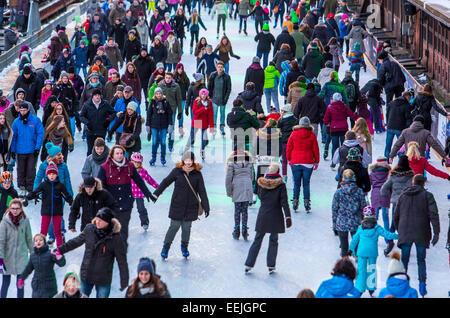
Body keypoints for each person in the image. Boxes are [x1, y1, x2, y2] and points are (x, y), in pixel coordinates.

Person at [55, 208, 129, 298]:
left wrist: (124, 281)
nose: (97, 222)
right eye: (97, 219)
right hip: (86, 275)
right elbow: (76, 241)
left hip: (103, 278)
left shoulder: (115, 238)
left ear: (107, 222)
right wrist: (60, 250)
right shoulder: (90, 229)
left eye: (100, 220)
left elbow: (122, 261)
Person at [154, 151, 210, 259]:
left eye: (190, 160)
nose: (188, 162)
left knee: (186, 228)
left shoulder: (197, 174)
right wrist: (156, 194)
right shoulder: (177, 171)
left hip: (191, 206)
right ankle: (166, 247)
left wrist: (206, 206)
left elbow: (202, 191)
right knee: (174, 227)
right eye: (186, 160)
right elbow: (166, 182)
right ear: (183, 160)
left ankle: (184, 247)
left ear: (193, 161)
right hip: (177, 205)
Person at [97, 145, 156, 246]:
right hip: (111, 203)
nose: (119, 155)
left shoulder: (129, 166)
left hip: (126, 202)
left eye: (121, 153)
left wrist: (148, 194)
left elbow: (139, 181)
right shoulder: (105, 167)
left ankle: (120, 248)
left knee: (123, 227)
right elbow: (100, 185)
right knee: (112, 225)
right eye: (117, 153)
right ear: (112, 155)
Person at [394, 174, 440, 297]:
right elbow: (434, 215)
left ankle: (402, 284)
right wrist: (436, 232)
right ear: (423, 184)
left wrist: (399, 230)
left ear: (413, 183)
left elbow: (396, 214)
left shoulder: (403, 195)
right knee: (421, 260)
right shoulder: (427, 196)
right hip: (421, 231)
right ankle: (422, 284)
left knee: (404, 259)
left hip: (405, 230)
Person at [244, 164, 291, 274]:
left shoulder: (261, 184)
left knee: (258, 239)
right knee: (273, 240)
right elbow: (284, 203)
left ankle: (248, 264)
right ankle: (271, 265)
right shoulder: (281, 185)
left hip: (263, 214)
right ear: (278, 171)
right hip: (276, 215)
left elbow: (259, 196)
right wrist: (288, 216)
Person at [349, 206, 398, 296]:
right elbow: (387, 234)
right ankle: (371, 289)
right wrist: (398, 236)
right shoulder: (377, 227)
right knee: (371, 269)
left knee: (361, 270)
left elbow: (354, 239)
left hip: (362, 252)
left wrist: (351, 249)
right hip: (372, 252)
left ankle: (359, 289)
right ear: (374, 215)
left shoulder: (361, 227)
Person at [26, 162, 73, 248]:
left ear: (56, 175)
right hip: (46, 211)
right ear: (47, 175)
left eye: (53, 174)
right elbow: (35, 192)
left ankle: (60, 249)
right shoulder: (44, 185)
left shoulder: (60, 185)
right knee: (43, 231)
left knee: (57, 231)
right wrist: (28, 197)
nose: (51, 176)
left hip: (57, 211)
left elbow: (67, 195)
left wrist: (71, 202)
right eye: (50, 174)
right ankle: (40, 248)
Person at [380, 155, 415, 256]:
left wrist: (384, 196)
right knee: (405, 224)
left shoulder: (393, 176)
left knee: (393, 224)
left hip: (396, 203)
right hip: (407, 203)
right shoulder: (410, 175)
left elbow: (384, 188)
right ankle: (405, 245)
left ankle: (390, 242)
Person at [0, 199, 33, 298]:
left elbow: (29, 238)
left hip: (21, 258)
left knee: (20, 285)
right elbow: (1, 241)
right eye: (13, 208)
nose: (15, 211)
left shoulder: (25, 221)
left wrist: (34, 254)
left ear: (21, 209)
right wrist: (1, 258)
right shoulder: (4, 222)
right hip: (7, 258)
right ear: (10, 209)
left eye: (17, 208)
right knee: (5, 283)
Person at [10, 102, 45, 195]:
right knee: (20, 169)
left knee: (30, 169)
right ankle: (21, 186)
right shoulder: (16, 122)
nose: (22, 112)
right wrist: (12, 150)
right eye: (21, 110)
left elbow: (40, 134)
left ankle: (30, 187)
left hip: (32, 150)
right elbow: (13, 137)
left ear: (28, 109)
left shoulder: (36, 120)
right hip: (20, 150)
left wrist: (37, 148)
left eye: (24, 110)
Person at [286, 116, 319, 212]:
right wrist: (316, 161)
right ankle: (306, 202)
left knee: (296, 184)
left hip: (295, 161)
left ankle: (295, 201)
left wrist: (289, 159)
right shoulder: (312, 135)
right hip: (308, 162)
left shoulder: (293, 134)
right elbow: (315, 149)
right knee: (306, 183)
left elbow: (289, 148)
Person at [19, 234, 66, 298]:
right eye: (36, 240)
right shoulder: (33, 256)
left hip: (49, 286)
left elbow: (62, 264)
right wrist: (22, 278)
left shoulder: (50, 254)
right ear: (34, 243)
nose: (38, 242)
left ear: (44, 242)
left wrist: (60, 257)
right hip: (37, 286)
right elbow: (28, 269)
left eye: (40, 240)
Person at [332, 168, 367, 257]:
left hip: (341, 223)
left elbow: (334, 209)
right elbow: (364, 207)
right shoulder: (359, 192)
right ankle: (358, 266)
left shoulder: (338, 192)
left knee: (344, 248)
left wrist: (335, 225)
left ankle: (345, 265)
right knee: (356, 246)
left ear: (343, 178)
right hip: (356, 222)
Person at [225, 150, 254, 240]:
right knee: (245, 210)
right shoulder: (249, 163)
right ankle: (245, 228)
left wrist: (229, 192)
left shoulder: (231, 164)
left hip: (237, 187)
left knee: (237, 210)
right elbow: (252, 177)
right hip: (247, 187)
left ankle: (237, 230)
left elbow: (228, 179)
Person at [323, 93, 358, 163]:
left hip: (334, 129)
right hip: (344, 129)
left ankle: (334, 161)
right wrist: (358, 117)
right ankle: (344, 161)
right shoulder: (344, 106)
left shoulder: (330, 107)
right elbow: (352, 116)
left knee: (335, 146)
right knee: (344, 146)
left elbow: (325, 120)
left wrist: (328, 123)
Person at [80, 89, 116, 156]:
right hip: (90, 131)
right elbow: (81, 116)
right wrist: (87, 123)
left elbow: (113, 113)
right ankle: (90, 165)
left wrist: (108, 121)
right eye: (96, 95)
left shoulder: (105, 104)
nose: (97, 97)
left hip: (101, 130)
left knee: (101, 150)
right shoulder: (87, 105)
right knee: (90, 151)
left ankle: (101, 165)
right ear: (92, 96)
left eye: (99, 95)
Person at [130, 152, 159, 231]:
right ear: (131, 162)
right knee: (125, 208)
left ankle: (145, 222)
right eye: (135, 162)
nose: (136, 164)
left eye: (138, 162)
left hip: (139, 194)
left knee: (141, 209)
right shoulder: (128, 170)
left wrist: (158, 187)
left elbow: (150, 180)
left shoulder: (142, 171)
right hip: (129, 193)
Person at [146, 87, 173, 165]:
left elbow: (169, 113)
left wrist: (170, 124)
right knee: (154, 142)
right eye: (157, 94)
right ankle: (153, 157)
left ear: (162, 94)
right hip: (154, 125)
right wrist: (148, 124)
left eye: (160, 93)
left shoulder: (166, 102)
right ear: (155, 94)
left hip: (164, 125)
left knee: (163, 142)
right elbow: (149, 114)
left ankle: (163, 157)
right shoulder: (152, 102)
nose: (158, 95)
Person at [384, 91, 413, 158]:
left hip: (390, 126)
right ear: (407, 97)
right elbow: (408, 118)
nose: (409, 100)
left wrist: (388, 123)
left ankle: (387, 158)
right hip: (400, 128)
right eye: (409, 98)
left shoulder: (392, 103)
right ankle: (402, 159)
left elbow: (387, 114)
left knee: (388, 144)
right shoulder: (406, 106)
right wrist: (407, 128)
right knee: (401, 144)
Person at [158, 72, 182, 151]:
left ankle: (171, 142)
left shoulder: (176, 86)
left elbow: (179, 99)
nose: (168, 79)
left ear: (172, 79)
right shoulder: (160, 86)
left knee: (171, 127)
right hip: (162, 110)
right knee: (163, 126)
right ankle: (162, 142)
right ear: (164, 78)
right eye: (166, 78)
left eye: (169, 78)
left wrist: (180, 111)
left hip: (172, 109)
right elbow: (157, 98)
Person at [208, 61, 232, 137]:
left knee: (222, 114)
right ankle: (213, 127)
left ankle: (222, 127)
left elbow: (228, 89)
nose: (220, 68)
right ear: (216, 67)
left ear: (223, 68)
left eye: (221, 67)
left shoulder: (227, 77)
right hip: (214, 99)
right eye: (219, 67)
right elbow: (209, 86)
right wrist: (210, 96)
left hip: (222, 99)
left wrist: (226, 99)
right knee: (214, 114)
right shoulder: (213, 75)